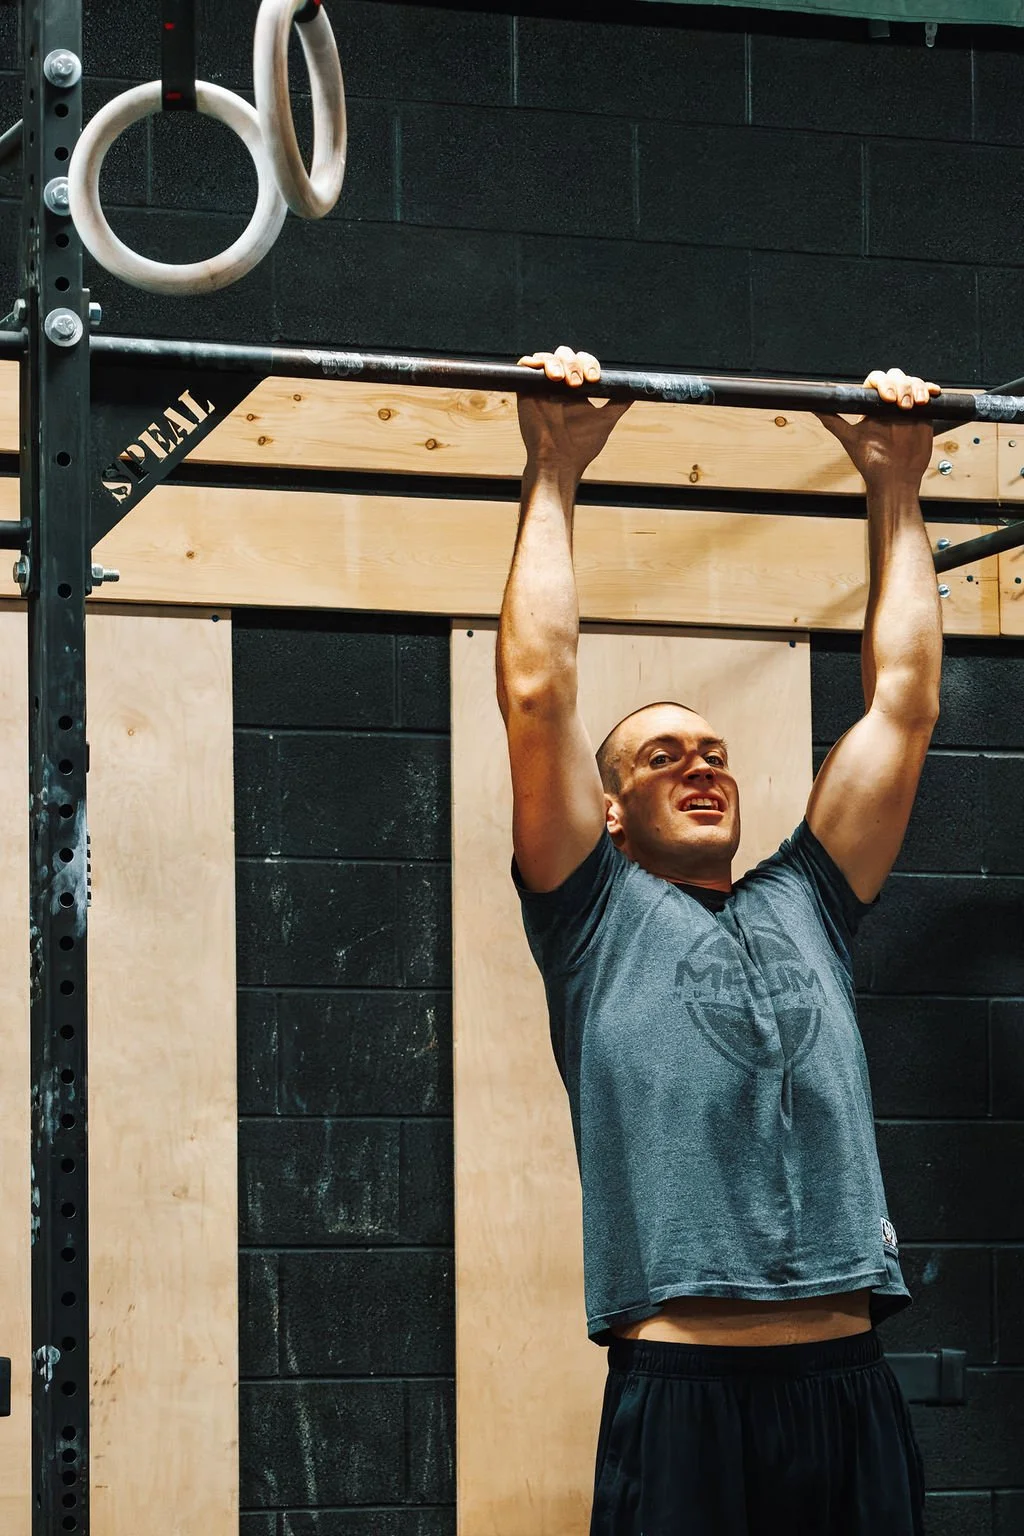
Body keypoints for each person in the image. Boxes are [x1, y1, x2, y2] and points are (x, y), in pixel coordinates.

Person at [496, 345, 942, 1535]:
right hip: (685, 1391)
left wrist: (897, 482)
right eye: (660, 755)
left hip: (847, 1384)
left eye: (713, 753)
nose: (699, 765)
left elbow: (902, 700)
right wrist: (556, 465)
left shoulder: (805, 898)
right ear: (607, 808)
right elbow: (539, 691)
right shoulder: (588, 913)